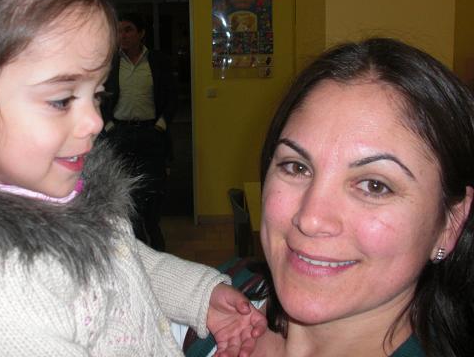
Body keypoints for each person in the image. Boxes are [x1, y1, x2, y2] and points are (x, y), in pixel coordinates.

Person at [0, 0, 267, 355]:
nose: (93, 120)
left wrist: (200, 296)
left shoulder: (58, 190)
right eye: (60, 100)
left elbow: (124, 259)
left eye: (97, 94)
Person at [176, 38, 474, 357]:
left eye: (375, 185)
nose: (311, 219)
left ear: (450, 223)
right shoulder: (219, 292)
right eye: (296, 166)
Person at [101, 12, 177, 250]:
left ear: (141, 33)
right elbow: (99, 96)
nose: (122, 35)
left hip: (151, 135)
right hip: (120, 135)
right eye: (119, 31)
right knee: (125, 193)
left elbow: (171, 97)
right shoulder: (110, 63)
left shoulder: (157, 61)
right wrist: (109, 126)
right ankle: (137, 247)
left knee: (153, 192)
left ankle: (155, 242)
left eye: (128, 30)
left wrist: (160, 125)